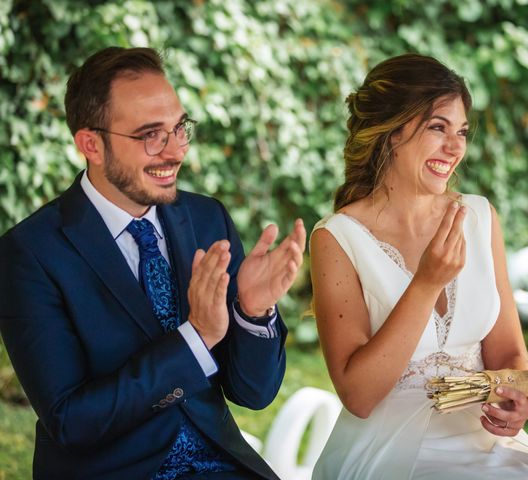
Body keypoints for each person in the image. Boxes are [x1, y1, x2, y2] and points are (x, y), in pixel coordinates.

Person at [0, 47, 306, 480]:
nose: (176, 152)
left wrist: (253, 312)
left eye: (179, 128)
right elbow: (71, 422)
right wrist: (196, 338)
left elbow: (254, 394)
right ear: (91, 145)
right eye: (150, 135)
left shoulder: (206, 218)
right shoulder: (30, 252)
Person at [310, 54, 528, 479]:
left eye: (461, 132)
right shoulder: (337, 237)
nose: (456, 148)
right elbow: (359, 397)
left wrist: (521, 398)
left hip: (483, 441)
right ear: (390, 133)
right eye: (438, 128)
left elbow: (510, 353)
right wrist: (425, 284)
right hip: (388, 447)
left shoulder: (478, 216)